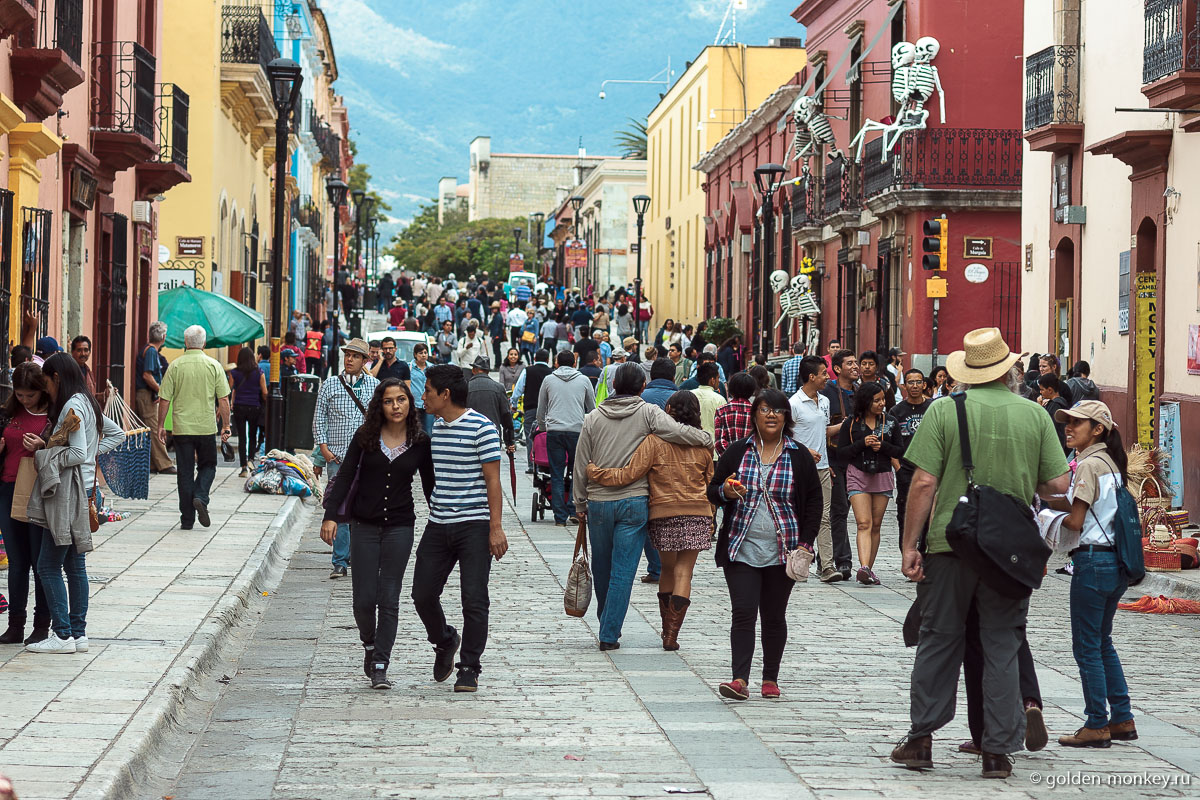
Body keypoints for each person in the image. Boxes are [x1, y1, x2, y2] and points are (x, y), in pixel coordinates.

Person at [892, 327, 1069, 779]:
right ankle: (996, 750)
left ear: (967, 371)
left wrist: (909, 544)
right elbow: (1057, 486)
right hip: (1007, 552)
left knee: (939, 639)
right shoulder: (1034, 414)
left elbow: (925, 482)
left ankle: (921, 740)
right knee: (1002, 643)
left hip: (949, 546)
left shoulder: (944, 411)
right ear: (1008, 369)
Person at [573, 363, 712, 649]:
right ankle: (609, 632)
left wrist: (579, 501)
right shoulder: (648, 412)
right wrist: (706, 439)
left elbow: (580, 463)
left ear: (613, 386)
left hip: (599, 501)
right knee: (623, 571)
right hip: (634, 501)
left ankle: (606, 621)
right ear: (641, 388)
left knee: (602, 566)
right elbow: (678, 432)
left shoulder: (592, 417)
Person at [708, 388, 821, 700]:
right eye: (765, 409)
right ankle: (739, 680)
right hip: (740, 546)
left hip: (784, 549)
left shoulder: (799, 455)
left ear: (786, 417)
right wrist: (726, 493)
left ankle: (770, 677)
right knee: (743, 611)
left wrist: (806, 543)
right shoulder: (737, 452)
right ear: (754, 415)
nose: (772, 415)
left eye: (778, 410)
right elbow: (714, 489)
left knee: (773, 615)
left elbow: (813, 502)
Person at [321, 379, 434, 690]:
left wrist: (446, 519)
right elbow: (344, 477)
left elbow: (430, 487)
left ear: (410, 404)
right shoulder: (365, 437)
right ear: (379, 405)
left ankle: (382, 662)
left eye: (401, 400)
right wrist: (331, 516)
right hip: (365, 526)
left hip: (400, 526)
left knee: (389, 597)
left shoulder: (420, 442)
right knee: (363, 599)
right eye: (388, 401)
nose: (395, 406)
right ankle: (369, 645)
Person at [1045, 400, 1138, 748]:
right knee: (1103, 643)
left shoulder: (1087, 466)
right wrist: (1046, 496)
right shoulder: (1110, 463)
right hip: (1115, 563)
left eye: (1077, 423)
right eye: (1067, 422)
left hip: (1093, 562)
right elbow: (1082, 504)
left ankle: (1097, 723)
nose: (1069, 428)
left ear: (1097, 429)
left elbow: (1076, 521)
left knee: (1086, 647)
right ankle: (1123, 718)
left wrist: (1044, 520)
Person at [414, 365, 508, 693]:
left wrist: (495, 528)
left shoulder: (482, 428)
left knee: (474, 598)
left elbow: (493, 481)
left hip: (474, 526)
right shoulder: (436, 427)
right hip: (439, 524)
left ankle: (469, 666)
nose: (422, 396)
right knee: (422, 593)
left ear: (445, 394)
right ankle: (445, 640)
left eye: (427, 390)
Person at [26, 353, 125, 654]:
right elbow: (115, 435)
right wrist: (93, 451)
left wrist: (47, 454)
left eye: (46, 383)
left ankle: (63, 635)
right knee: (74, 563)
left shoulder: (71, 404)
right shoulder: (87, 401)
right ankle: (78, 634)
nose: (46, 389)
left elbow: (78, 452)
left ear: (56, 378)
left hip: (67, 491)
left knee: (47, 565)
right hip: (83, 490)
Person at [313, 338, 380, 578]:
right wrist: (323, 449)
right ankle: (340, 561)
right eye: (347, 355)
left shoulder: (375, 386)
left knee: (362, 509)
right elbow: (319, 419)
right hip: (338, 457)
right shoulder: (330, 384)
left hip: (367, 458)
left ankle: (358, 555)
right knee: (339, 508)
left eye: (355, 356)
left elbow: (383, 421)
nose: (349, 359)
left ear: (364, 361)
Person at [157, 326, 231, 531]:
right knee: (208, 466)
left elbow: (164, 399)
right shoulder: (214, 365)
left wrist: (160, 425)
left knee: (185, 473)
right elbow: (223, 399)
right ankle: (200, 496)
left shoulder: (175, 366)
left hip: (182, 428)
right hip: (205, 426)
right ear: (204, 344)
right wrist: (226, 425)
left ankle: (187, 519)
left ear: (185, 343)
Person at [0, 364, 53, 645]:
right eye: (19, 395)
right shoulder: (9, 412)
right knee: (17, 561)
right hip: (7, 488)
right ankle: (15, 625)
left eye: (29, 395)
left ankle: (42, 625)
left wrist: (43, 446)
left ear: (42, 390)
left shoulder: (54, 416)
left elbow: (67, 451)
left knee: (38, 561)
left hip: (37, 491)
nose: (24, 400)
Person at [836, 382, 902, 586]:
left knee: (876, 525)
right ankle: (863, 567)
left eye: (883, 399)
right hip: (857, 474)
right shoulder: (851, 423)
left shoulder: (890, 422)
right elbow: (841, 453)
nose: (881, 403)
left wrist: (882, 446)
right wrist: (861, 444)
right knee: (863, 523)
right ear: (866, 401)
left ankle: (868, 570)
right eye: (877, 400)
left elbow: (900, 451)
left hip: (882, 474)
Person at [788, 356, 843, 583]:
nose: (827, 377)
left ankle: (827, 566)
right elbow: (784, 438)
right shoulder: (793, 404)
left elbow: (824, 431)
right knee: (797, 516)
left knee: (824, 518)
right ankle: (794, 564)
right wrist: (805, 451)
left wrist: (845, 426)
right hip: (798, 469)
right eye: (823, 373)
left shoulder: (825, 401)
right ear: (812, 376)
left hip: (821, 469)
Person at [537, 351, 595, 526]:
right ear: (575, 362)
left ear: (556, 362)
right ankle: (574, 510)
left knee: (556, 474)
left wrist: (543, 427)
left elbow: (541, 408)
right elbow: (591, 408)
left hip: (554, 431)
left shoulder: (548, 380)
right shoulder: (584, 380)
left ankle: (559, 517)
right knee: (576, 472)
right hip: (577, 431)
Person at [821, 349, 859, 582]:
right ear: (837, 368)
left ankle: (827, 556)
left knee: (848, 511)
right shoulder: (826, 394)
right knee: (839, 510)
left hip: (856, 458)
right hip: (833, 458)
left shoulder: (860, 393)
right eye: (850, 363)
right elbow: (819, 429)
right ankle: (843, 560)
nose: (855, 367)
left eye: (856, 363)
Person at [887, 368, 931, 550]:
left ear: (924, 384)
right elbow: (888, 442)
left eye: (918, 382)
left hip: (929, 468)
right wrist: (897, 468)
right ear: (904, 386)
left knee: (928, 513)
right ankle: (906, 551)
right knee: (905, 512)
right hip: (905, 468)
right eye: (911, 382)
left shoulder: (933, 408)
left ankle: (925, 553)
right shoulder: (896, 411)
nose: (915, 386)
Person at [136, 321, 175, 474]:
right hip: (146, 394)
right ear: (163, 337)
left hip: (147, 394)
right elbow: (147, 375)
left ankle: (153, 464)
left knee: (150, 428)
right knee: (154, 428)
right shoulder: (151, 351)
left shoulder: (149, 350)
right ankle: (165, 464)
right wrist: (160, 391)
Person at [511, 348, 552, 471]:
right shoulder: (551, 372)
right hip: (547, 411)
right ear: (547, 359)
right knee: (546, 436)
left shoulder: (527, 371)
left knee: (530, 436)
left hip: (530, 408)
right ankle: (544, 463)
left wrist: (514, 404)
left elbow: (518, 390)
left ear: (534, 359)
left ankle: (531, 465)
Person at [228, 347, 267, 477]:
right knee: (252, 435)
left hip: (239, 406)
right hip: (254, 406)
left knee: (242, 437)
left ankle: (243, 467)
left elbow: (229, 389)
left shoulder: (234, 373)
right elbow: (265, 393)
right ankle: (250, 459)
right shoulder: (259, 372)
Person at [467, 356, 515, 453]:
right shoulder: (498, 388)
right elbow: (506, 416)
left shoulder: (466, 387)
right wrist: (509, 442)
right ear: (488, 371)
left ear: (473, 370)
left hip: (469, 435)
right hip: (492, 435)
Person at [714, 372, 756, 455]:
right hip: (750, 462)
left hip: (728, 463)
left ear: (731, 389)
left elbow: (719, 443)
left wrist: (730, 459)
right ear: (751, 391)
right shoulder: (756, 412)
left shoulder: (721, 411)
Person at [690, 361, 727, 441]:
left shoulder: (689, 395)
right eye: (718, 378)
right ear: (712, 380)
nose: (719, 381)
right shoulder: (719, 399)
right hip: (713, 445)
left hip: (692, 444)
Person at [1038, 374, 1072, 454]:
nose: (1040, 392)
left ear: (1050, 390)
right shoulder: (1060, 403)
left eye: (1042, 390)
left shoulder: (1055, 405)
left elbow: (1049, 427)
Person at [409, 342, 432, 433]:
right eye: (420, 353)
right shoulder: (409, 367)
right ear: (415, 354)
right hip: (415, 404)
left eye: (425, 353)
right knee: (415, 430)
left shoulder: (432, 368)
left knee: (428, 431)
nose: (423, 355)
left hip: (429, 404)